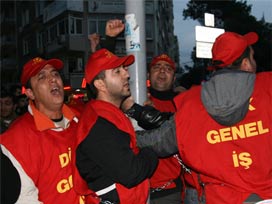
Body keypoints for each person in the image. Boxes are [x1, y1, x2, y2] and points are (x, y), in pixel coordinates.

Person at [135, 31, 272, 204]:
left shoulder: (191, 103)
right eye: (253, 57)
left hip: (216, 198)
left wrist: (122, 133)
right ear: (246, 64)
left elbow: (157, 141)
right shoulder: (268, 88)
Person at [74, 48, 159, 204]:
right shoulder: (98, 123)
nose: (127, 74)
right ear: (100, 84)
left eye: (124, 69)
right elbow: (131, 173)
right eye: (117, 72)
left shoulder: (108, 114)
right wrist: (152, 151)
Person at [0, 57, 84, 203]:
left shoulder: (81, 118)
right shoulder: (15, 140)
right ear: (30, 93)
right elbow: (24, 200)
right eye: (42, 77)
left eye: (55, 74)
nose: (52, 79)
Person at [146, 54, 184, 204]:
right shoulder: (135, 99)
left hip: (169, 191)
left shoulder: (183, 104)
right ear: (148, 75)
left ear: (174, 78)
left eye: (168, 68)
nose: (162, 71)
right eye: (157, 67)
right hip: (135, 189)